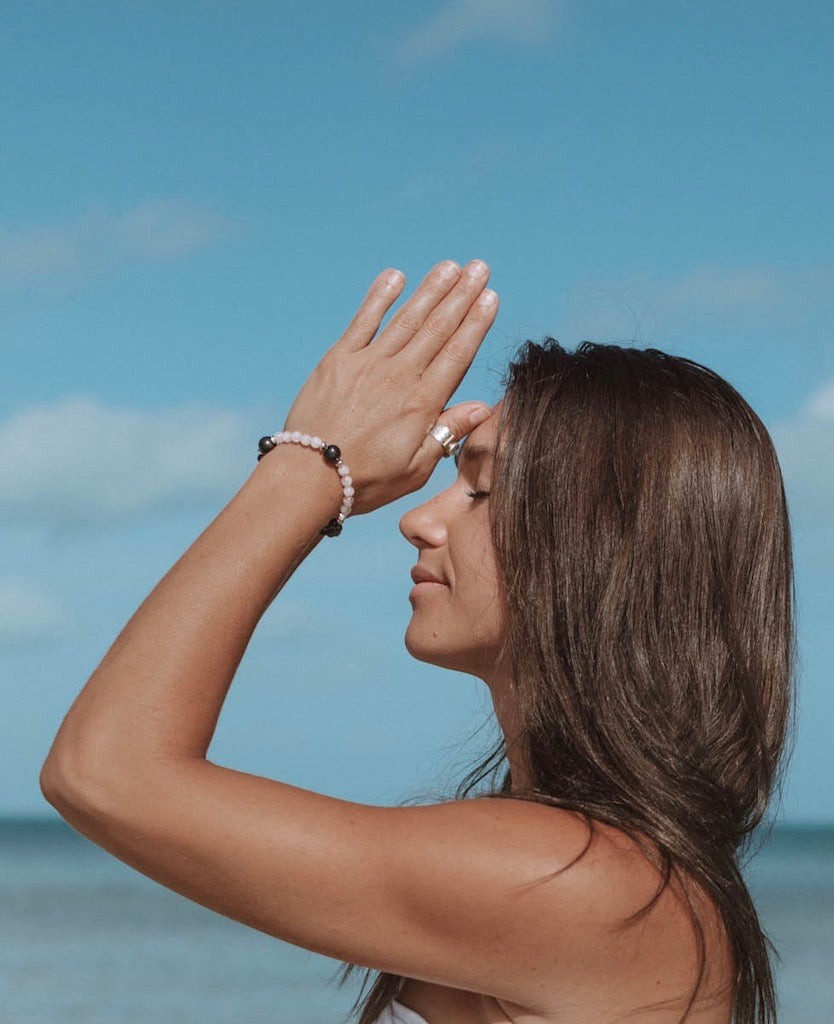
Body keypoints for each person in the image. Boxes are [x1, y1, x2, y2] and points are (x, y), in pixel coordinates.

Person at [41, 259, 794, 1024]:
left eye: (482, 490)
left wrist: (310, 463)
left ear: (607, 548)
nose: (419, 519)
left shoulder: (584, 883)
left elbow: (104, 773)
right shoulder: (604, 869)